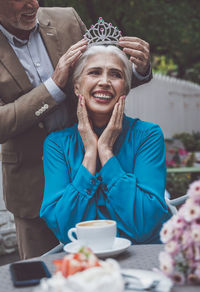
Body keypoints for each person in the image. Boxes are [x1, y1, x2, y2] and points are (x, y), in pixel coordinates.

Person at [0, 0, 152, 259]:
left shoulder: (67, 19)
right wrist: (53, 88)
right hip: (31, 185)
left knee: (111, 264)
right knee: (45, 276)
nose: (32, 4)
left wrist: (138, 70)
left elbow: (98, 81)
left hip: (96, 169)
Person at [40, 44, 171, 245]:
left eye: (115, 75)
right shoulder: (57, 145)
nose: (104, 82)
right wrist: (90, 154)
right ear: (77, 87)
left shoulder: (147, 135)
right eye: (94, 72)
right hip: (85, 262)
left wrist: (106, 151)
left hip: (143, 257)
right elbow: (64, 228)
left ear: (125, 89)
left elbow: (145, 225)